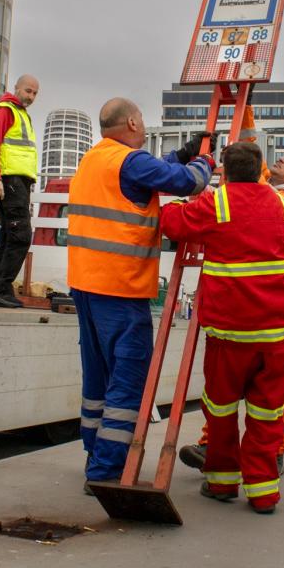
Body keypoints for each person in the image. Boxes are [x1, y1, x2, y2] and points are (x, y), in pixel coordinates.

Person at [68, 98, 214, 491]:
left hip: (85, 284)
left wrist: (180, 154)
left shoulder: (95, 158)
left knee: (97, 378)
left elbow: (150, 171)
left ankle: (94, 454)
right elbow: (189, 182)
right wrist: (205, 161)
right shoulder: (130, 162)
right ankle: (105, 471)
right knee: (128, 380)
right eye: (142, 121)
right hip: (120, 286)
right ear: (132, 121)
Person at [161, 142, 284, 514]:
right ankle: (264, 494)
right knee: (267, 412)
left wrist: (176, 202)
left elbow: (172, 223)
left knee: (221, 409)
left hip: (231, 330)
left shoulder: (216, 203)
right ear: (260, 171)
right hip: (276, 331)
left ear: (223, 170)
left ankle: (222, 483)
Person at [180, 106, 284, 475]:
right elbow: (251, 168)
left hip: (272, 300)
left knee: (267, 397)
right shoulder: (273, 192)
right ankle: (219, 446)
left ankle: (273, 451)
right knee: (243, 392)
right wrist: (247, 111)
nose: (282, 159)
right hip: (267, 299)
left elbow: (252, 196)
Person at [0, 74, 40, 309]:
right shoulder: (6, 110)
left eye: (35, 93)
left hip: (16, 181)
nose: (31, 96)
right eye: (28, 91)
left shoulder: (20, 113)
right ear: (16, 88)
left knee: (8, 236)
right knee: (21, 236)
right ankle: (3, 289)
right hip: (9, 179)